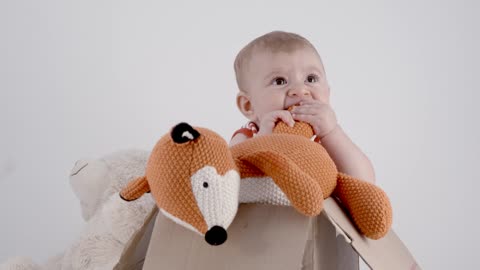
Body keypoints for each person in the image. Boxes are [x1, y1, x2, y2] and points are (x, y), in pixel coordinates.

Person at [230, 30, 376, 184]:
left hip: (317, 207)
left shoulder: (324, 138)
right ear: (248, 105)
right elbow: (226, 178)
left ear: (328, 93)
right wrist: (264, 141)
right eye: (280, 81)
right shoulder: (249, 134)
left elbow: (365, 181)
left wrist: (332, 132)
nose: (300, 90)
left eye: (311, 78)